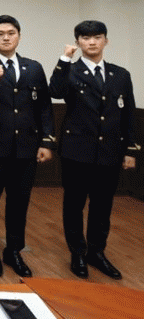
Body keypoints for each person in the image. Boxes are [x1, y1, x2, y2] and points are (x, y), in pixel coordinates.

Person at [49, 20, 140, 280]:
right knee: (74, 204)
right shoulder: (70, 70)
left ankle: (97, 252)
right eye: (86, 38)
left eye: (97, 37)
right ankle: (77, 252)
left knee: (102, 205)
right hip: (77, 150)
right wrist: (64, 59)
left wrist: (130, 149)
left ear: (105, 41)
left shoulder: (120, 75)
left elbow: (128, 113)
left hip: (109, 150)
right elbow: (55, 91)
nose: (92, 42)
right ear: (78, 42)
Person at [0, 15, 56, 278]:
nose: (6, 37)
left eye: (11, 33)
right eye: (0, 33)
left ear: (19, 36)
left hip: (26, 147)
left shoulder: (33, 68)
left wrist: (47, 141)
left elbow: (44, 107)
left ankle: (14, 250)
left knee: (20, 201)